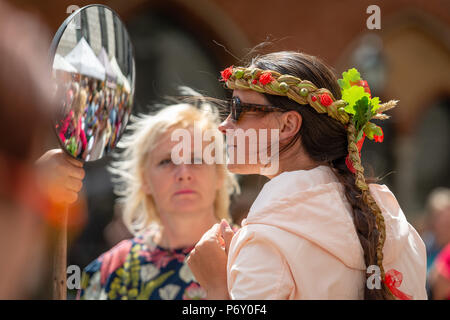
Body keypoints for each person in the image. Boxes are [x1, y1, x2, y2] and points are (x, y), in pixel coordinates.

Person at [187, 51, 428, 300]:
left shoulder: (266, 241)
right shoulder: (396, 225)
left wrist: (216, 286)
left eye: (237, 109)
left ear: (287, 125)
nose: (224, 125)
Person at [78, 89, 239, 300]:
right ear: (145, 180)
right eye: (166, 161)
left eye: (197, 160)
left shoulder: (251, 255)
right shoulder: (109, 271)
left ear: (219, 173)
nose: (183, 174)